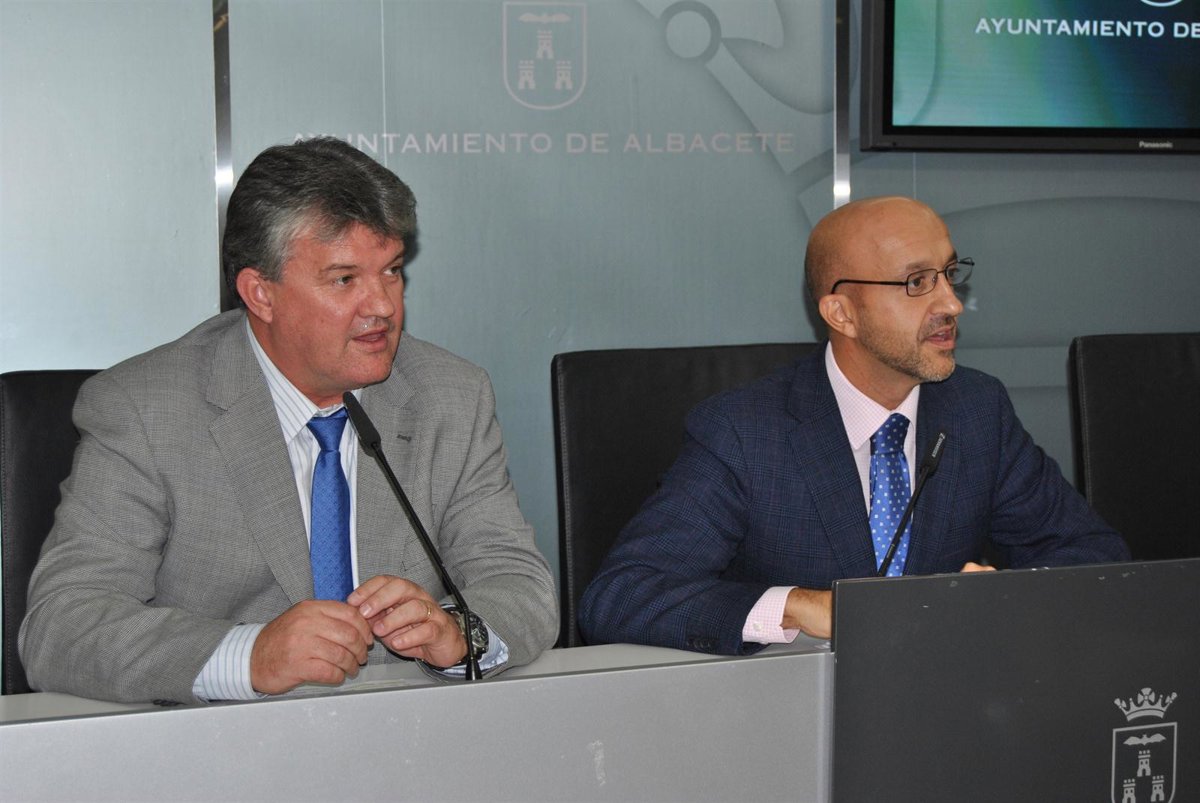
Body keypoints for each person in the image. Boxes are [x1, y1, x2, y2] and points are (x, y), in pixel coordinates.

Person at [20, 137, 557, 704]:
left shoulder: (450, 395)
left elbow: (519, 584)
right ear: (261, 293)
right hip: (222, 744)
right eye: (345, 279)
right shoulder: (146, 409)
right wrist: (249, 655)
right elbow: (62, 627)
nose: (383, 306)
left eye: (392, 271)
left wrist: (459, 633)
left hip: (411, 732)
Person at [578, 196, 1129, 654]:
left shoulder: (977, 409)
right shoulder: (745, 432)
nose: (952, 304)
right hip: (792, 713)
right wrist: (800, 606)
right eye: (917, 282)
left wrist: (1007, 597)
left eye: (949, 274)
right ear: (842, 313)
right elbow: (621, 596)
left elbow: (1091, 553)